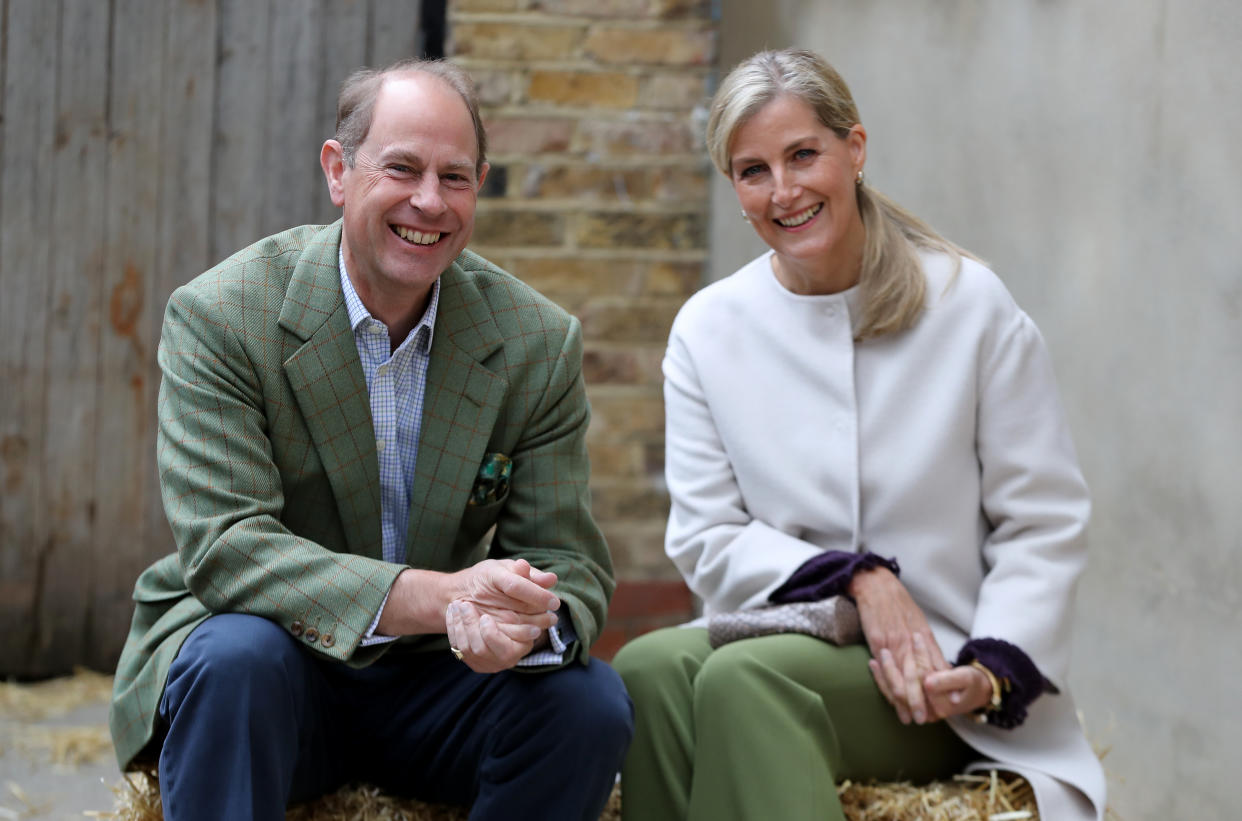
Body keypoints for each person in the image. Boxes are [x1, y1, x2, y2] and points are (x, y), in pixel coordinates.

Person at [107, 58, 632, 821]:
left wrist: (518, 623)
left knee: (589, 702)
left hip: (440, 681)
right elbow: (226, 547)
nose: (429, 200)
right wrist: (439, 595)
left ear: (480, 183)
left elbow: (568, 560)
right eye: (402, 168)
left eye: (455, 177)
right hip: (277, 668)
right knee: (234, 660)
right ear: (337, 170)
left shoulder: (535, 341)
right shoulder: (222, 315)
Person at [612, 48, 1105, 821]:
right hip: (787, 622)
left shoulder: (969, 305)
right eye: (753, 170)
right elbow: (707, 534)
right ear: (734, 187)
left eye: (803, 154)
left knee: (747, 682)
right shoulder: (709, 328)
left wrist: (991, 665)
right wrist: (859, 578)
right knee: (645, 666)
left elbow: (1041, 520)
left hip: (942, 672)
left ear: (855, 148)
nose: (785, 190)